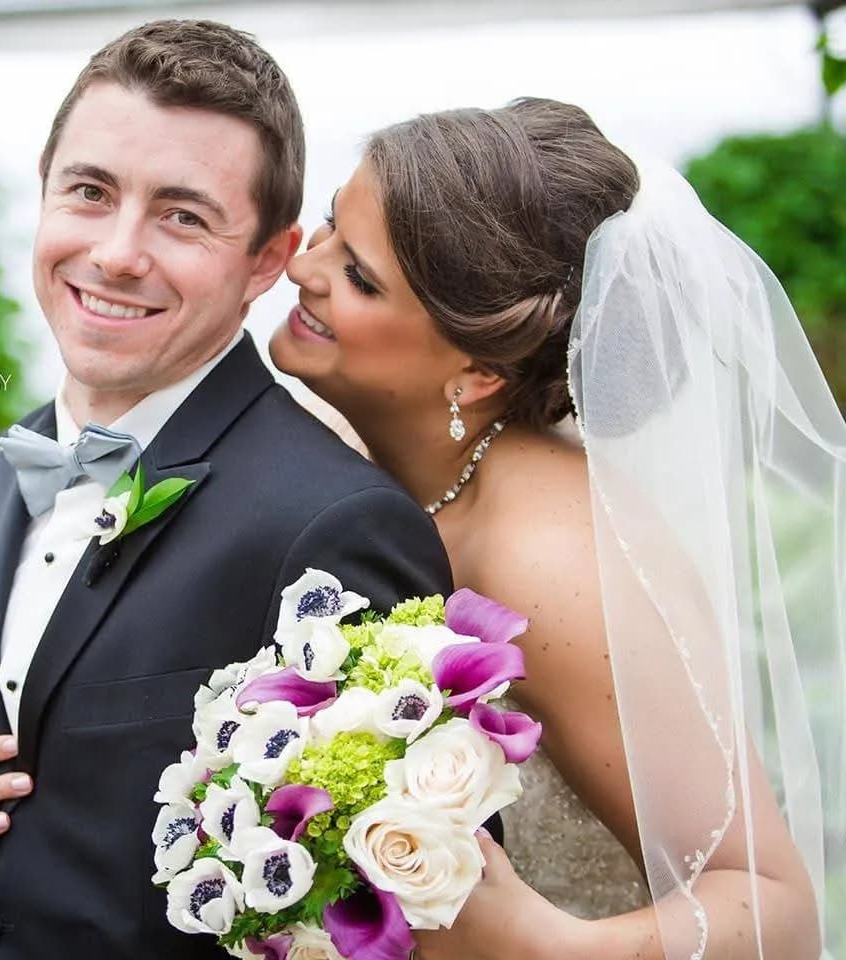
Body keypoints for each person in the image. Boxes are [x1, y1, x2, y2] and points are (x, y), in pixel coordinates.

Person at [0, 20, 453, 960]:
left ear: (269, 262)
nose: (116, 253)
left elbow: (417, 908)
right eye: (89, 192)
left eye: (183, 216)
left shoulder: (333, 527)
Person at [270, 98, 845, 959]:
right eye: (327, 228)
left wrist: (543, 946)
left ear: (477, 372)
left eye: (358, 276)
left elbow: (773, 908)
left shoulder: (551, 559)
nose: (302, 270)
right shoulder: (352, 454)